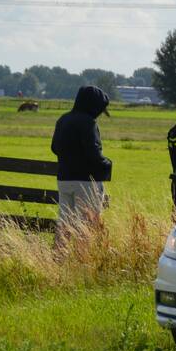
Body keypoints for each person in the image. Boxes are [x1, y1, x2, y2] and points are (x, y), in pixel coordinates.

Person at [51, 86, 113, 245]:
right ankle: (82, 262)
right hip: (86, 182)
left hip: (64, 179)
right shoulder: (88, 123)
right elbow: (93, 154)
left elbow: (54, 148)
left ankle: (58, 258)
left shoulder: (63, 119)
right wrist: (107, 165)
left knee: (64, 222)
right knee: (86, 226)